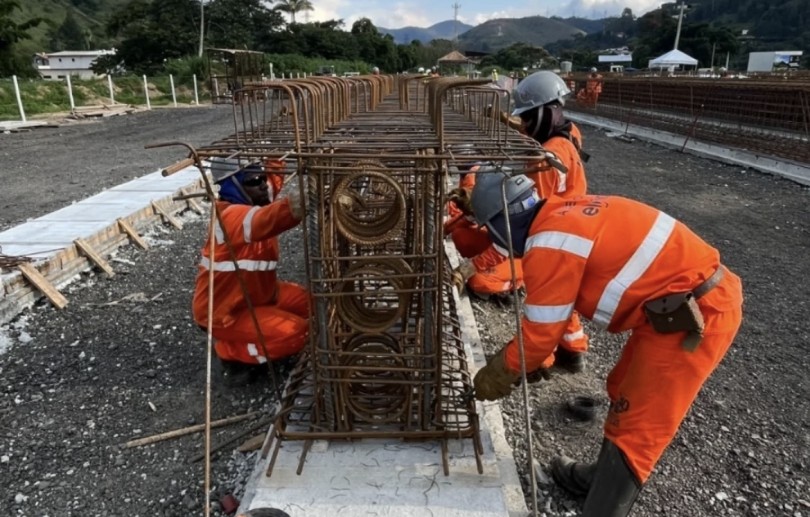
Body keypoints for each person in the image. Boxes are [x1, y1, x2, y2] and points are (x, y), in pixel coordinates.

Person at [469, 171, 743, 517]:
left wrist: (499, 372)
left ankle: (604, 507)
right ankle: (599, 477)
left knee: (639, 426)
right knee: (622, 386)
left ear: (501, 225)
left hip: (696, 316)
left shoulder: (549, 243)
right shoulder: (559, 213)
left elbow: (538, 337)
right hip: (670, 310)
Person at [455, 70, 591, 370]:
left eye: (528, 119)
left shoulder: (546, 157)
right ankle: (573, 349)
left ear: (548, 111)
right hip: (570, 224)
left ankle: (540, 359)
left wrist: (471, 265)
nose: (525, 126)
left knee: (544, 293)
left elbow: (525, 225)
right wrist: (507, 121)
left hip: (552, 232)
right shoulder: (568, 133)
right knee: (560, 290)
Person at [192, 157, 310, 385]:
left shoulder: (257, 200)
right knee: (299, 333)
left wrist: (275, 156)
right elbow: (275, 215)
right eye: (254, 180)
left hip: (259, 295)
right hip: (226, 312)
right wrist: (305, 198)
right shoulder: (230, 218)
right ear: (232, 187)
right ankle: (230, 353)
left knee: (313, 304)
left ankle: (256, 337)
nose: (263, 185)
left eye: (262, 178)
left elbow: (273, 180)